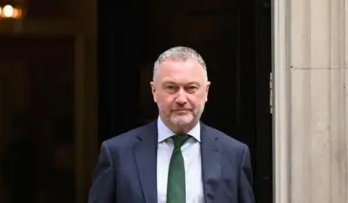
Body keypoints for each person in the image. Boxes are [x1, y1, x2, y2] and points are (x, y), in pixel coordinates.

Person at [88, 46, 255, 203]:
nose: (181, 99)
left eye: (191, 88)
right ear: (154, 91)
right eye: (171, 88)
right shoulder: (117, 154)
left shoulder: (234, 155)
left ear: (206, 92)